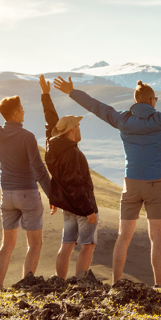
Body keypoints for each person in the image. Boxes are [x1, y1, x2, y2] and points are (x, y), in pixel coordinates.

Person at [54, 67, 161, 285]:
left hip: (131, 184)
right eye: (155, 98)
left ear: (136, 101)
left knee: (123, 237)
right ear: (151, 100)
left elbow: (96, 107)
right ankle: (159, 285)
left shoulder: (122, 120)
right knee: (156, 237)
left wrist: (72, 92)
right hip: (155, 184)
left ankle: (116, 283)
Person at [0, 56, 53, 288]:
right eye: (22, 110)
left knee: (7, 244)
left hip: (8, 195)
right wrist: (53, 195)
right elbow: (39, 169)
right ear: (14, 114)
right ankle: (27, 286)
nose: (24, 113)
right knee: (34, 243)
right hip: (28, 194)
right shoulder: (27, 137)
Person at [39, 75, 99, 280]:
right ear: (73, 129)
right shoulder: (73, 153)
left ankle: (60, 283)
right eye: (78, 126)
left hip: (66, 206)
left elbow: (50, 122)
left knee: (66, 245)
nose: (80, 129)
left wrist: (45, 95)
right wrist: (88, 210)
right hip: (81, 205)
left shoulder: (52, 146)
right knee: (88, 246)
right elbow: (76, 184)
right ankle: (82, 284)